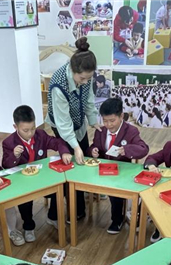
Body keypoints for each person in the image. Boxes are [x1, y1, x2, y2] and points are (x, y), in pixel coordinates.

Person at [46, 38, 101, 227]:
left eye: (88, 78)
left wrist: (93, 121)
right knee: (67, 168)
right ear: (73, 71)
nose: (85, 82)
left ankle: (78, 210)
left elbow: (88, 99)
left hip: (79, 124)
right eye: (82, 79)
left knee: (82, 163)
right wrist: (75, 146)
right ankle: (55, 214)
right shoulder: (58, 84)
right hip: (62, 128)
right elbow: (63, 124)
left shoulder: (86, 76)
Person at [2, 106, 71, 246]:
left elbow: (57, 142)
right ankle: (29, 227)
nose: (30, 133)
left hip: (43, 177)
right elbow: (5, 165)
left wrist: (63, 151)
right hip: (23, 181)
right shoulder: (9, 143)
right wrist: (14, 156)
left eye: (32, 128)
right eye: (25, 130)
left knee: (62, 186)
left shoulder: (40, 135)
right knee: (24, 200)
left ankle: (52, 217)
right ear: (15, 127)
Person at [88, 98, 149, 234]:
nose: (108, 125)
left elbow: (143, 149)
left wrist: (126, 149)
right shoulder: (100, 131)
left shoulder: (131, 131)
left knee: (115, 189)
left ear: (121, 116)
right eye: (105, 120)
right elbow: (93, 146)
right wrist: (93, 151)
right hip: (102, 169)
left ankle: (117, 220)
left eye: (112, 120)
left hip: (121, 171)